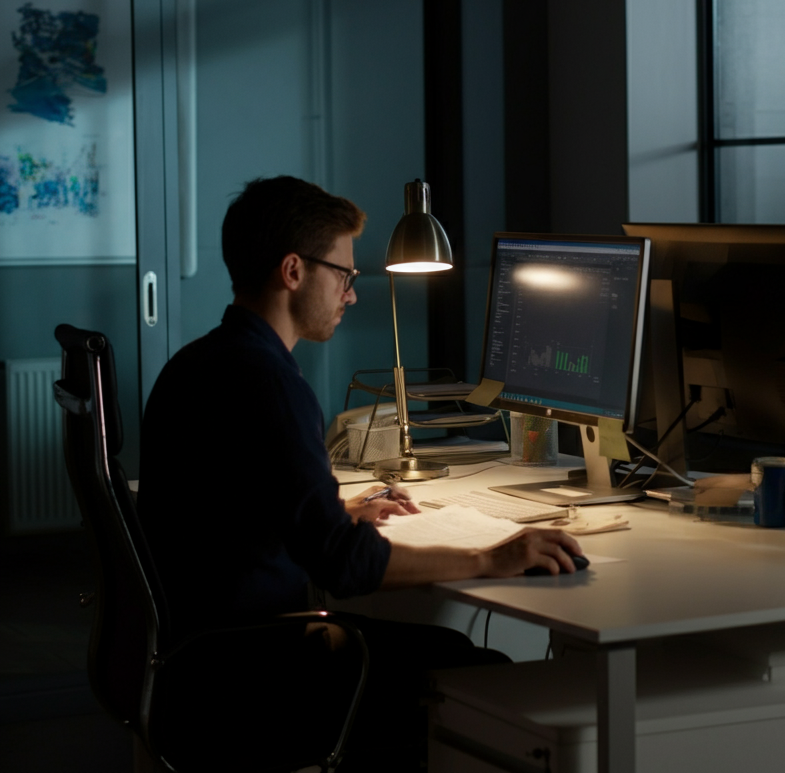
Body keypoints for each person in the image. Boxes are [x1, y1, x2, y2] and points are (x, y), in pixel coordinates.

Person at [137, 175, 581, 767]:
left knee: (445, 646)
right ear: (293, 271)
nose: (351, 294)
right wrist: (491, 558)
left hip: (198, 657)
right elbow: (344, 565)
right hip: (255, 668)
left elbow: (227, 507)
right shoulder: (271, 384)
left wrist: (334, 510)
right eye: (343, 275)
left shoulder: (195, 365)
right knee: (478, 668)